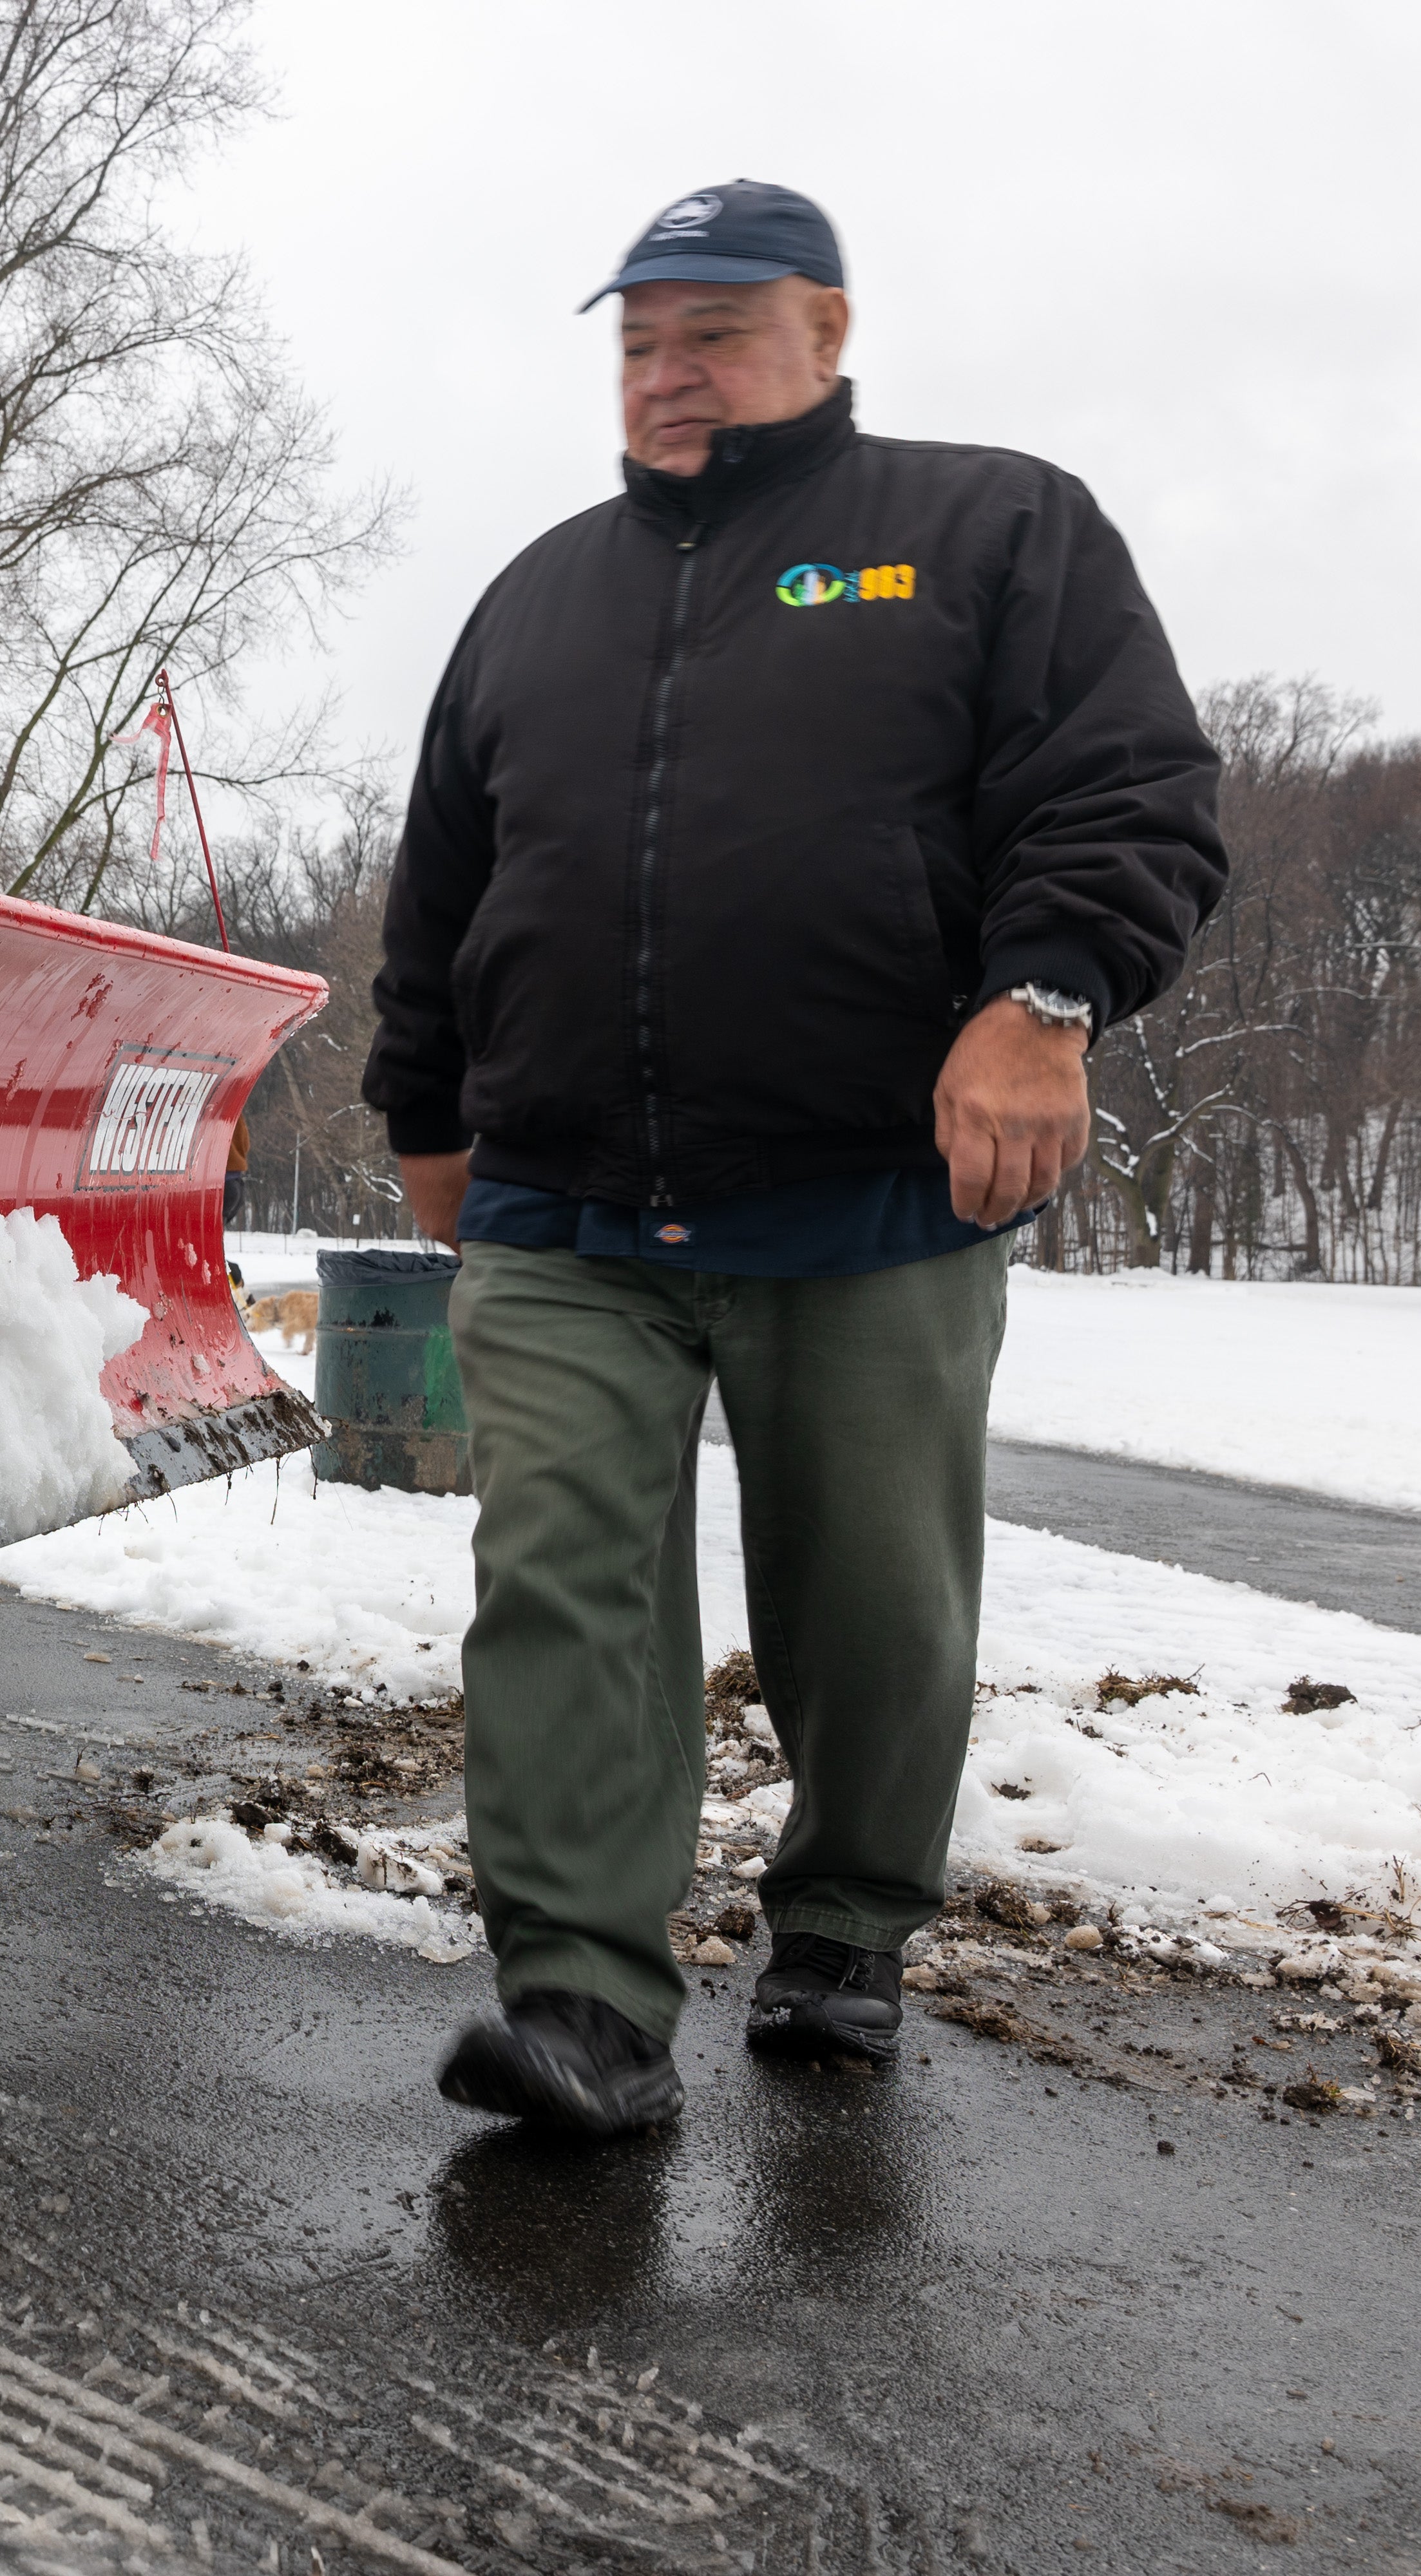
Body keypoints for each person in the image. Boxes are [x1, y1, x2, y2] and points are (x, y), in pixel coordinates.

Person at [361, 180, 1225, 2135]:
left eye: (717, 334)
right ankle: (581, 1999)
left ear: (829, 332)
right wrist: (428, 1112)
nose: (671, 377)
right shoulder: (537, 595)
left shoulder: (989, 528)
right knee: (562, 1582)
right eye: (639, 344)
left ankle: (844, 1923)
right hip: (567, 1200)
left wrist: (1047, 995)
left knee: (872, 1599)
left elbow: (1128, 787)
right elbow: (448, 889)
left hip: (862, 1191)